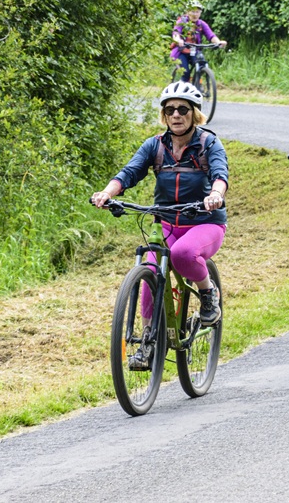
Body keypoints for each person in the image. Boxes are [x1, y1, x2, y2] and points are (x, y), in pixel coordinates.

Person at [91, 82, 228, 367]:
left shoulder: (208, 143)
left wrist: (215, 195)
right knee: (150, 271)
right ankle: (148, 341)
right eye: (170, 110)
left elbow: (219, 173)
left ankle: (208, 293)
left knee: (183, 254)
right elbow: (129, 172)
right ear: (164, 115)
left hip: (204, 222)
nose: (176, 115)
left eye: (183, 109)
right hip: (165, 221)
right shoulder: (155, 145)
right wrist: (107, 193)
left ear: (194, 113)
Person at [171, 1, 225, 83]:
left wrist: (218, 42)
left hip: (194, 51)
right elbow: (176, 33)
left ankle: (198, 84)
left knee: (201, 65)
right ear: (188, 12)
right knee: (185, 74)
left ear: (200, 13)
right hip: (181, 52)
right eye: (193, 11)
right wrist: (179, 40)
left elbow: (211, 35)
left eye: (197, 12)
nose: (195, 14)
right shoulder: (181, 22)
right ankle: (182, 87)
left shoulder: (201, 24)